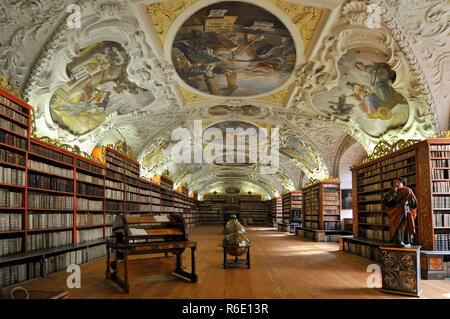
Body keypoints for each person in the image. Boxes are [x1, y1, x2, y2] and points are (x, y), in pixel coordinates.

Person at [383, 177, 418, 246]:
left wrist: (408, 202)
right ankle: (398, 240)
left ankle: (407, 240)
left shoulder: (407, 190)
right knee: (398, 225)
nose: (396, 184)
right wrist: (393, 192)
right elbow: (387, 202)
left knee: (406, 226)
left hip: (406, 211)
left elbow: (414, 202)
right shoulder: (392, 192)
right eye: (394, 183)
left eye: (398, 182)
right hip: (396, 212)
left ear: (402, 183)